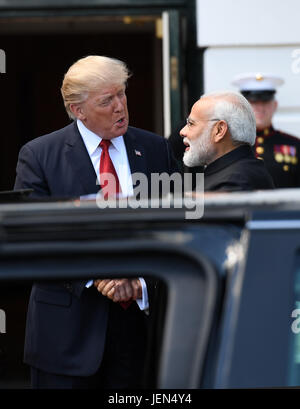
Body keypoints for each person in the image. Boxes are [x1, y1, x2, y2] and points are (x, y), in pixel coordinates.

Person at [14, 55, 177, 389]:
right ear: (78, 110)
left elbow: (175, 225)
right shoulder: (40, 155)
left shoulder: (155, 148)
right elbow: (32, 237)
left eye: (122, 94)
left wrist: (141, 279)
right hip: (66, 335)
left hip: (139, 332)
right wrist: (96, 273)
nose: (121, 107)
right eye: (107, 100)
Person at [180, 91, 274, 191]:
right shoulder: (238, 173)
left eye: (191, 123)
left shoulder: (231, 183)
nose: (182, 131)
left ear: (219, 130)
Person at [232, 72, 300, 188]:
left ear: (275, 105)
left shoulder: (295, 145)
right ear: (242, 106)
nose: (260, 108)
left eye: (265, 102)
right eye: (253, 102)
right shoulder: (229, 143)